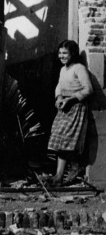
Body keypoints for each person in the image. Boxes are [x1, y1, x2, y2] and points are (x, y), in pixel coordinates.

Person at [47, 40, 95, 186]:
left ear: (73, 54)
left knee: (68, 140)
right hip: (64, 107)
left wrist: (72, 99)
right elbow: (59, 86)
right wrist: (59, 98)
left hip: (76, 107)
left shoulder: (79, 68)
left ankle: (71, 169)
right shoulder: (63, 70)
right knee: (59, 139)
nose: (61, 56)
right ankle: (59, 175)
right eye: (60, 53)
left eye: (65, 53)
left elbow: (88, 89)